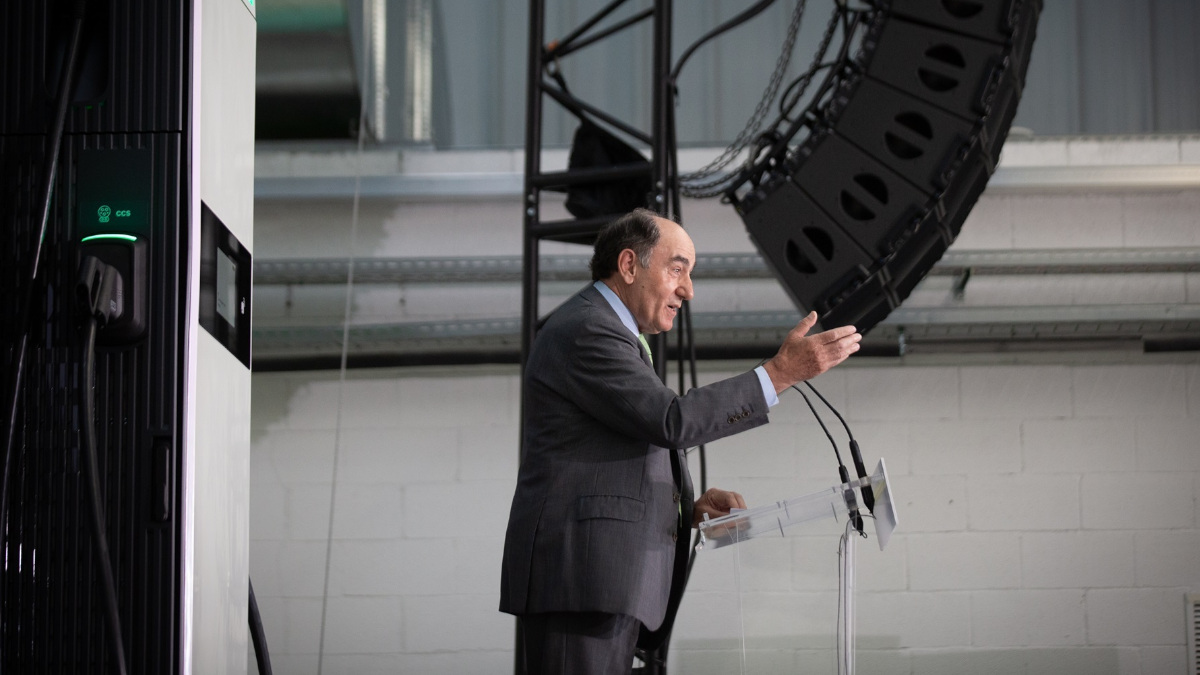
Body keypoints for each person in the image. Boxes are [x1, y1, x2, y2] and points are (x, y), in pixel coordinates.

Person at [499, 208, 861, 674]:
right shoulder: (589, 328)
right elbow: (669, 420)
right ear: (629, 266)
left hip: (598, 583)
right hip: (582, 580)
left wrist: (685, 509)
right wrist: (779, 374)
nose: (688, 290)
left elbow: (604, 459)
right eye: (678, 269)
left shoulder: (610, 332)